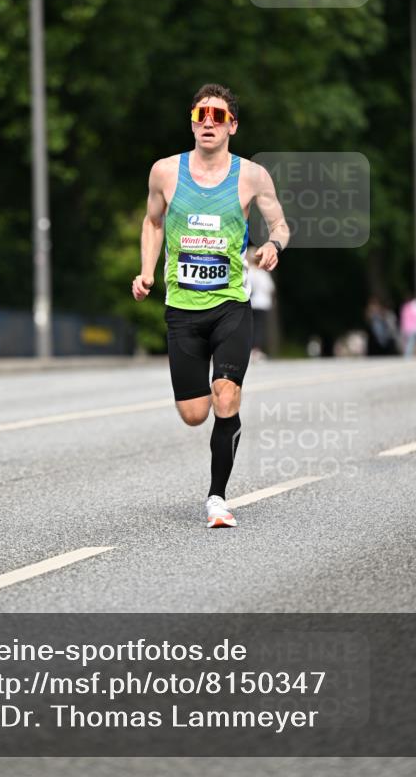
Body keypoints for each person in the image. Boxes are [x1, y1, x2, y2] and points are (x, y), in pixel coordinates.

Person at [132, 83, 289, 528]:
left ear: (232, 126)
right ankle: (210, 434)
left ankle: (217, 498)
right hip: (182, 310)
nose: (207, 121)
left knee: (226, 397)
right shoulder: (164, 172)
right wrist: (146, 271)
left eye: (217, 116)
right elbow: (152, 221)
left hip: (230, 306)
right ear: (192, 121)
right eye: (201, 113)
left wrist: (275, 243)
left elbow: (279, 223)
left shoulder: (251, 176)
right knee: (194, 413)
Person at [247, 246, 276, 359]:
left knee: (250, 327)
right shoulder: (262, 273)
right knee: (259, 327)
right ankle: (256, 350)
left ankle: (249, 349)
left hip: (250, 302)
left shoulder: (248, 271)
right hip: (262, 303)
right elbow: (270, 288)